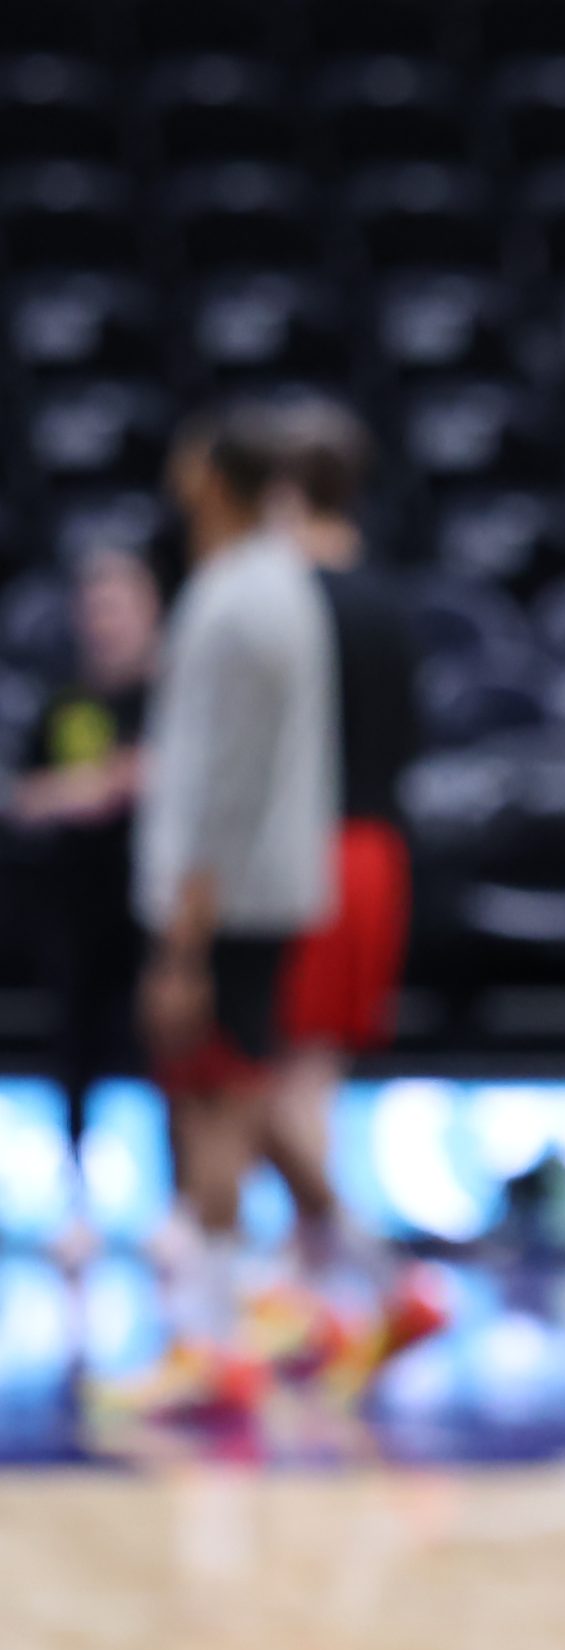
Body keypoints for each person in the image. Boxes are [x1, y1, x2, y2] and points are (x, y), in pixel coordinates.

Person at [120, 400, 340, 1420]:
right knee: (245, 1095)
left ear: (212, 476)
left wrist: (183, 941)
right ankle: (377, 1281)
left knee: (211, 1102)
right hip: (259, 891)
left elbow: (222, 789)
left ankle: (210, 1344)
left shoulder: (233, 601)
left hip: (225, 902)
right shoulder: (276, 582)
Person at [250, 397, 447, 1384]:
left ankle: (377, 1276)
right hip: (376, 850)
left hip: (300, 847)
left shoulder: (278, 599)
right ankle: (306, 1295)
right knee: (308, 1077)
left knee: (249, 1073)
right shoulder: (389, 602)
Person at [7, 547, 160, 1263]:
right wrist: (91, 787)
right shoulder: (65, 703)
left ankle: (174, 1206)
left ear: (150, 612)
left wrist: (130, 781)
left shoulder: (173, 700)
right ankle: (78, 1206)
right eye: (94, 608)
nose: (105, 622)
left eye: (118, 606)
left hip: (158, 909)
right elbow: (27, 796)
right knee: (75, 1053)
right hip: (75, 905)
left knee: (168, 1053)